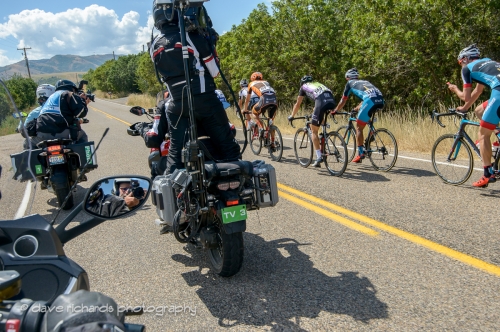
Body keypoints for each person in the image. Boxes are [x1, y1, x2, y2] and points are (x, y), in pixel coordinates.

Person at [149, 3, 240, 174]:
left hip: (177, 105)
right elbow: (214, 72)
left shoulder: (153, 46)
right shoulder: (192, 37)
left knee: (175, 155)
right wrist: (210, 46)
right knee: (229, 149)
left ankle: (175, 191)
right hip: (205, 101)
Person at [449, 44, 500, 187]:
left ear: (465, 59)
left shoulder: (466, 69)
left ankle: (487, 174)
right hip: (498, 92)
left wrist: (455, 89)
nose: (460, 65)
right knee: (479, 110)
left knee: (483, 135)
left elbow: (465, 96)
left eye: (460, 62)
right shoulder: (488, 61)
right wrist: (465, 108)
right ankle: (498, 134)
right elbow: (477, 91)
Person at [332, 68, 384, 163]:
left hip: (370, 101)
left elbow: (343, 100)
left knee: (359, 128)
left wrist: (335, 110)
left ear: (347, 78)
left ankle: (361, 153)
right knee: (366, 120)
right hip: (380, 100)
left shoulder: (349, 84)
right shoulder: (365, 81)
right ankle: (370, 137)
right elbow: (366, 97)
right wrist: (356, 108)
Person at [288, 76, 336, 167]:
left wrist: (292, 116)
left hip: (321, 101)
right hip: (331, 100)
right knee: (319, 117)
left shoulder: (303, 87)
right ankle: (324, 133)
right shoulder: (317, 84)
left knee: (314, 130)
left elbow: (298, 103)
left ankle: (318, 157)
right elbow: (318, 103)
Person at [36, 79, 89, 144]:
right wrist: (83, 101)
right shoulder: (69, 94)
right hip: (62, 132)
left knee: (30, 143)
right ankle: (88, 154)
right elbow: (81, 113)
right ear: (72, 88)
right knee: (82, 136)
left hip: (41, 133)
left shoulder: (51, 97)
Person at [18, 84, 55, 149]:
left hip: (41, 139)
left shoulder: (34, 112)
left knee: (27, 143)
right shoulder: (61, 107)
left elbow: (25, 128)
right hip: (63, 136)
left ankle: (32, 159)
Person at [243, 72, 278, 140]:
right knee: (271, 123)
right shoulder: (266, 82)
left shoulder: (251, 84)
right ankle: (273, 143)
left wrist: (245, 109)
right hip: (274, 101)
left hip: (264, 100)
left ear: (252, 78)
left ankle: (261, 128)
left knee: (254, 113)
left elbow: (247, 99)